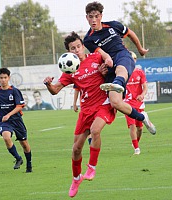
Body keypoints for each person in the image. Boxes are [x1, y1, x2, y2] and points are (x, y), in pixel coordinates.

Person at [43, 31, 116, 198]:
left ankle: (92, 167)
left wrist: (105, 72)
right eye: (72, 48)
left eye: (78, 46)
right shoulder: (70, 70)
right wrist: (48, 84)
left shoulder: (96, 58)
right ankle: (76, 179)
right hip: (86, 110)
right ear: (68, 52)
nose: (76, 50)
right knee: (76, 149)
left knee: (96, 131)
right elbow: (55, 91)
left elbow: (112, 70)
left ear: (83, 46)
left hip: (103, 104)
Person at [83, 1, 156, 134]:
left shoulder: (113, 25)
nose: (93, 20)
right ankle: (143, 117)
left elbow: (131, 33)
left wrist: (140, 49)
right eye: (90, 16)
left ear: (101, 16)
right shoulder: (88, 39)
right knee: (115, 102)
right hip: (110, 66)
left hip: (123, 56)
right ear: (86, 17)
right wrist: (106, 58)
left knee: (120, 70)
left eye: (96, 16)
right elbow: (100, 52)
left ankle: (117, 83)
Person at [0, 68, 32, 173]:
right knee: (6, 138)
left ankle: (29, 164)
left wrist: (9, 114)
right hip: (4, 120)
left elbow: (20, 106)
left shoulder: (14, 91)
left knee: (24, 144)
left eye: (5, 78)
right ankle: (18, 158)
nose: (3, 80)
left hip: (16, 120)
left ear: (9, 78)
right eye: (1, 78)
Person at [124, 51, 152, 155]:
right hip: (127, 104)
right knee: (132, 125)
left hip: (139, 103)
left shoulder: (140, 72)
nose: (133, 61)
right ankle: (136, 149)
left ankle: (136, 142)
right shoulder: (123, 73)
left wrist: (142, 95)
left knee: (140, 128)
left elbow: (145, 87)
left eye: (134, 59)